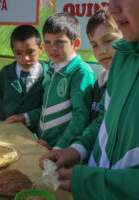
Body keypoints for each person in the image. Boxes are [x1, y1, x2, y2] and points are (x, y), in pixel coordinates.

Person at [39, 0, 139, 199]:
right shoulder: (123, 56)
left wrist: (95, 182)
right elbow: (103, 118)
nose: (112, 8)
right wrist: (77, 149)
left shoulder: (83, 71)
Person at [37, 12, 95, 149]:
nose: (53, 48)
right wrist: (25, 117)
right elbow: (45, 109)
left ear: (76, 43)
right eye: (48, 43)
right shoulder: (52, 67)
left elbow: (81, 116)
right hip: (44, 145)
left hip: (63, 152)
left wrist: (59, 148)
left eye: (60, 42)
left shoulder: (81, 72)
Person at [0, 25, 47, 134]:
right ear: (12, 51)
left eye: (30, 52)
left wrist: (26, 117)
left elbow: (49, 108)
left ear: (41, 48)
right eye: (18, 53)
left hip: (37, 136)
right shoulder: (5, 73)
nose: (25, 58)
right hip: (5, 132)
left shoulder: (48, 76)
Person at [86, 9, 122, 121]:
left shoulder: (130, 81)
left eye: (108, 40)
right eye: (94, 45)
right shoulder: (99, 82)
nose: (101, 51)